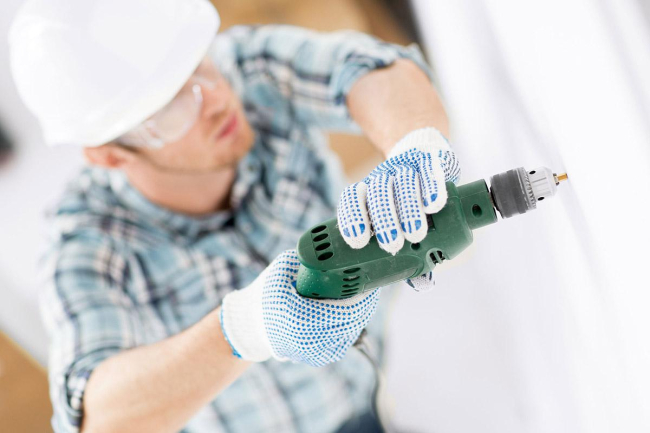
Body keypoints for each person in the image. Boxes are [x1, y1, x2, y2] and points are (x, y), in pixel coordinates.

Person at [9, 0, 460, 431]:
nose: (217, 99)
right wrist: (247, 328)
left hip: (363, 390)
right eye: (170, 106)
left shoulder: (244, 70)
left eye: (197, 64)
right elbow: (100, 419)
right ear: (110, 155)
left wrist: (414, 146)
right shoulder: (85, 249)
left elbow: (373, 69)